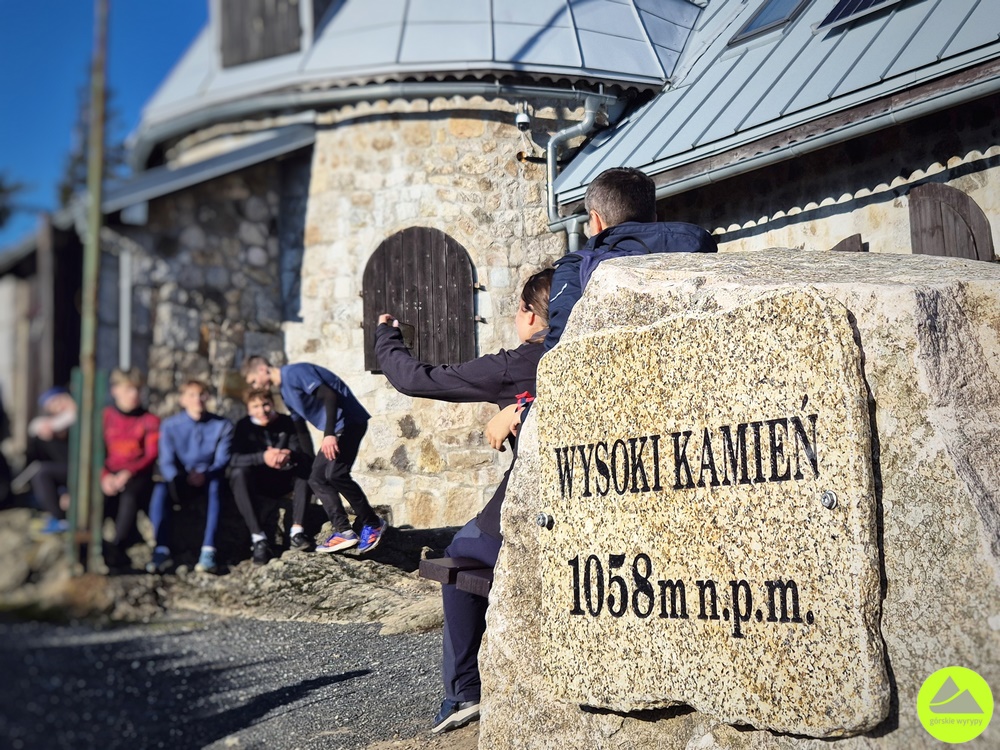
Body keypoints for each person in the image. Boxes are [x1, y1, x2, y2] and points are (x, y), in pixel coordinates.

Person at [374, 268, 554, 734]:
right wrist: (521, 410)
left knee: (457, 551)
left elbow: (417, 379)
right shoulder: (592, 354)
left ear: (532, 317)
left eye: (520, 308)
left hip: (533, 520)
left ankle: (463, 693)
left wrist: (386, 337)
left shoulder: (518, 365)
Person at [545, 166, 717, 351]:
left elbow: (559, 348)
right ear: (654, 218)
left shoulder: (576, 269)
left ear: (595, 220)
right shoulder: (697, 248)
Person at [242, 357, 386, 554]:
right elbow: (300, 428)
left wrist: (329, 434)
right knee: (316, 478)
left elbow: (329, 395)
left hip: (349, 423)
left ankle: (373, 523)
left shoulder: (294, 373)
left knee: (336, 474)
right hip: (336, 430)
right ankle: (344, 532)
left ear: (261, 369)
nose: (255, 385)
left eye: (253, 380)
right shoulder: (284, 392)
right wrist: (306, 459)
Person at [146, 380, 233, 574]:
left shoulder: (223, 425)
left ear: (207, 397)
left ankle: (208, 551)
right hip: (181, 479)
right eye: (192, 395)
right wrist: (181, 477)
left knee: (216, 485)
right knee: (160, 489)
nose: (197, 400)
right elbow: (166, 461)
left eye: (201, 394)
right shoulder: (170, 425)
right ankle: (161, 550)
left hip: (209, 478)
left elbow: (222, 460)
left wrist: (205, 474)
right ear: (182, 399)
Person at [229, 387, 314, 564]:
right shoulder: (243, 426)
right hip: (258, 481)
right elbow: (234, 459)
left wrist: (287, 454)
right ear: (248, 409)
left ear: (273, 404)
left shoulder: (287, 422)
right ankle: (258, 539)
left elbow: (302, 452)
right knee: (238, 473)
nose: (262, 410)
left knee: (305, 469)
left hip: (284, 478)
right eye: (256, 406)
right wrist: (262, 457)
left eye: (265, 404)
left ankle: (297, 532)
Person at [100, 368, 160, 572]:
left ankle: (118, 546)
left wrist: (128, 472)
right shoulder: (105, 417)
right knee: (97, 500)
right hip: (109, 475)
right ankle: (96, 547)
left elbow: (150, 454)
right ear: (115, 390)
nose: (133, 394)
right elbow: (96, 450)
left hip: (137, 476)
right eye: (128, 389)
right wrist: (105, 476)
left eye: (137, 389)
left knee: (131, 495)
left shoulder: (149, 420)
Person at [25, 387, 77, 533]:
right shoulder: (57, 427)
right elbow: (36, 427)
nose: (58, 407)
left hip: (92, 469)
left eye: (59, 401)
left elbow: (71, 417)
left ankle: (60, 518)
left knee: (42, 473)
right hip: (70, 469)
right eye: (52, 406)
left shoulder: (82, 415)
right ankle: (59, 518)